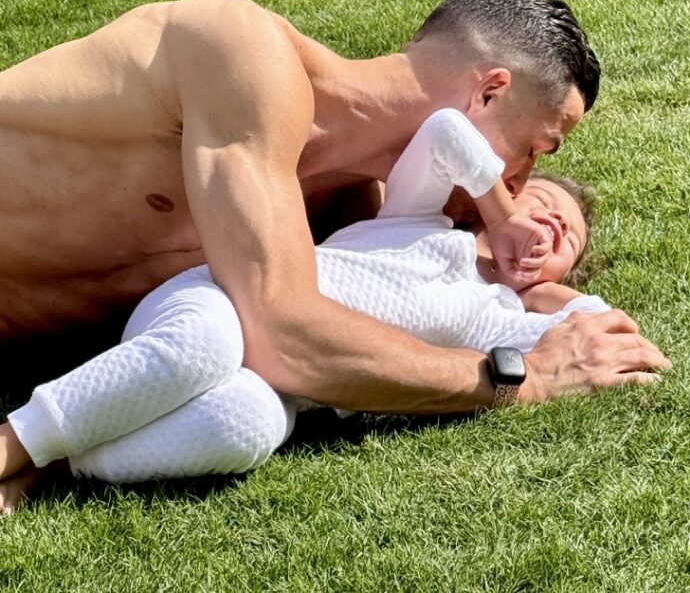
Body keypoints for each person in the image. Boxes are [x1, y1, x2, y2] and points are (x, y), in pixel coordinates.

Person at [0, 0, 668, 424]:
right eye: (535, 149)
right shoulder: (241, 51)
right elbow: (283, 337)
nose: (517, 186)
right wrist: (523, 377)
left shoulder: (354, 215)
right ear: (488, 93)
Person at [0, 108, 611, 507]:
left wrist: (544, 294)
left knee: (245, 429)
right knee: (207, 346)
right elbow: (446, 129)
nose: (553, 227)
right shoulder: (417, 218)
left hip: (285, 388)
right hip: (223, 301)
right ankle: (13, 443)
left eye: (567, 239)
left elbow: (603, 333)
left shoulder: (500, 321)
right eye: (545, 207)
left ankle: (60, 466)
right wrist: (503, 216)